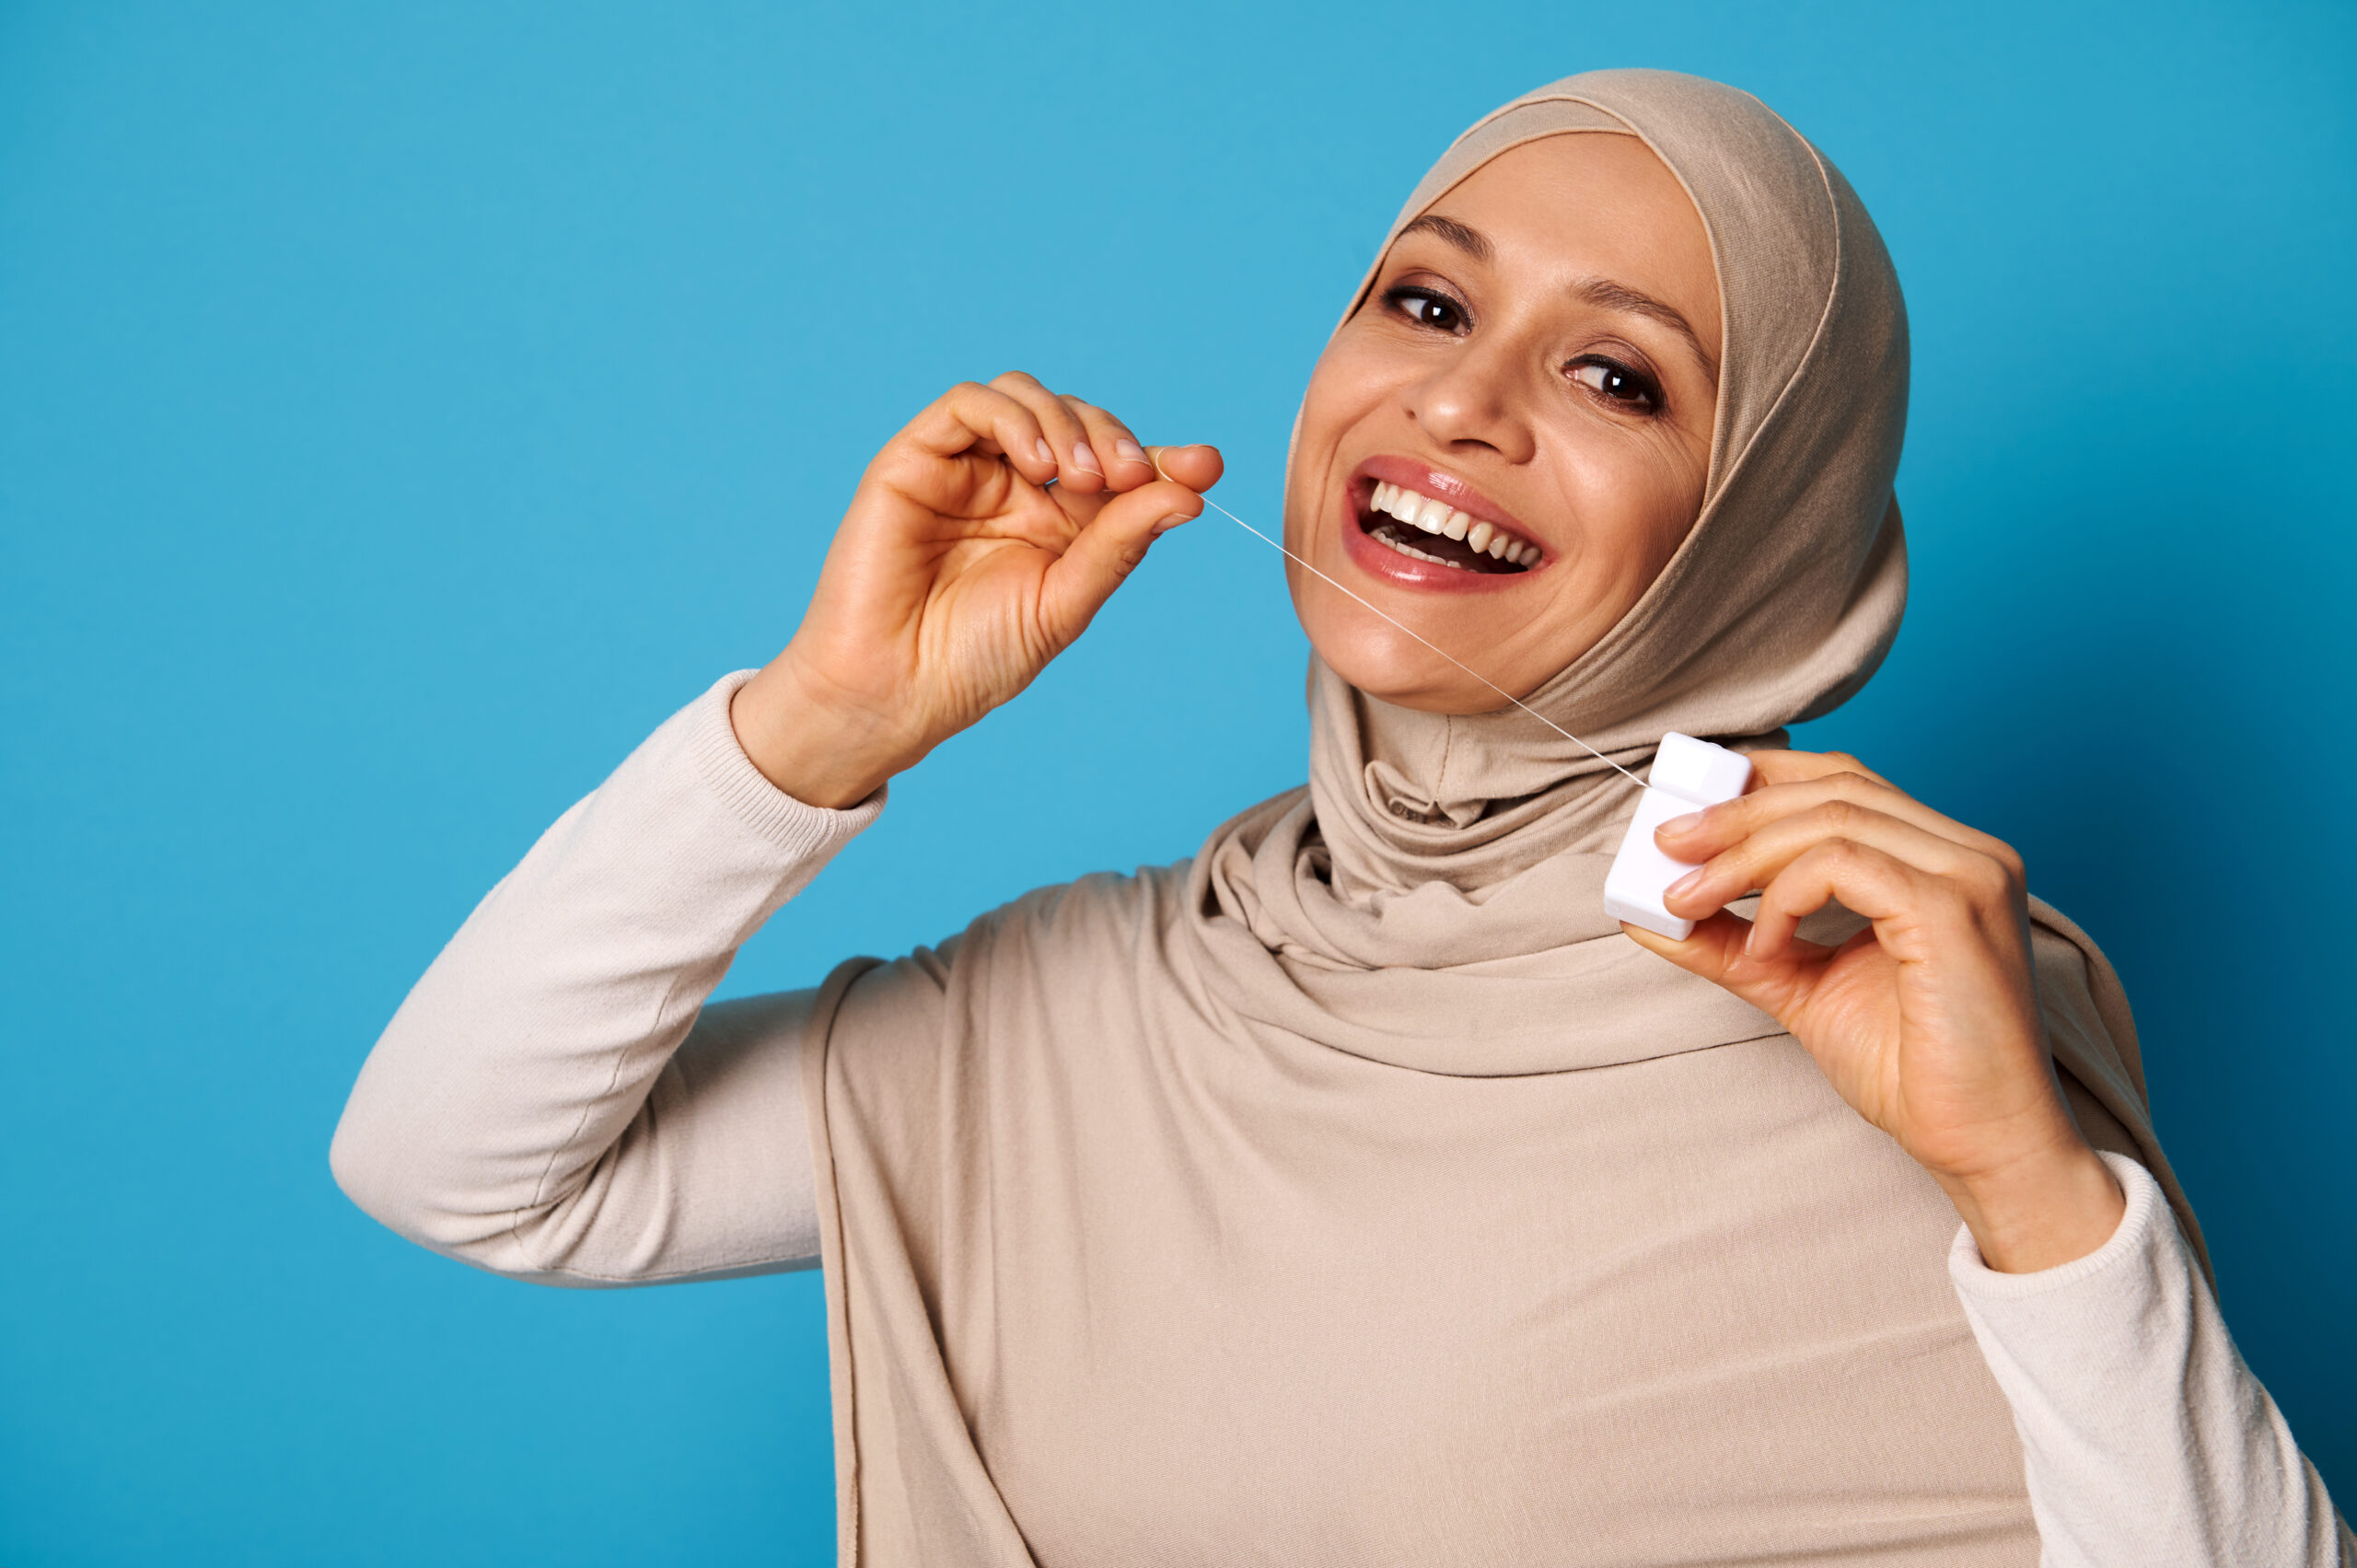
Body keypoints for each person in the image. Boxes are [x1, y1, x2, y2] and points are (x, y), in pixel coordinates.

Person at [331, 69, 2349, 1566]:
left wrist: (2027, 1191)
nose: (1460, 407)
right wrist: (810, 727)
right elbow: (468, 1172)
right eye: (1421, 300)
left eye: (1617, 380)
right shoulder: (1108, 1006)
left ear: (1762, 534)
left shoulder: (1907, 1026)